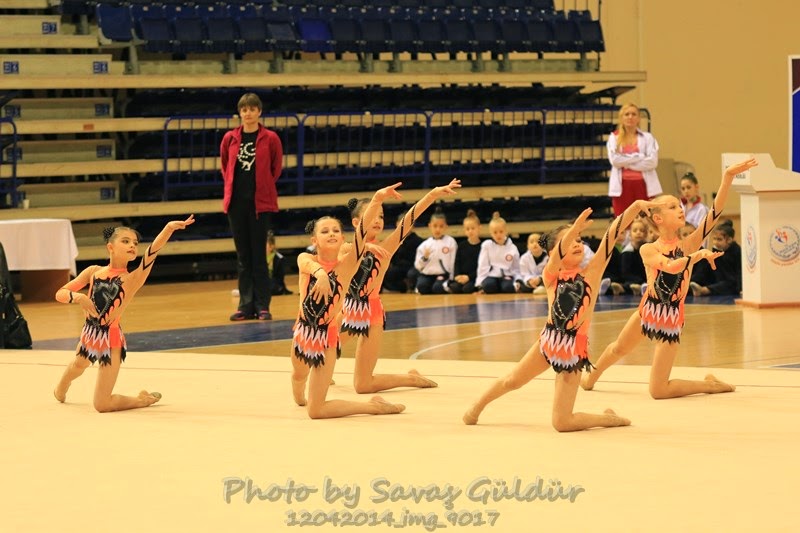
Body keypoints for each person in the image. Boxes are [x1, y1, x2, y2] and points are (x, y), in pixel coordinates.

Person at [462, 200, 656, 431]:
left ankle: (609, 419)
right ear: (553, 252)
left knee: (562, 422)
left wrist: (635, 206)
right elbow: (557, 257)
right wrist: (574, 229)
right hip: (548, 342)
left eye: (579, 240)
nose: (577, 243)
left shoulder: (592, 273)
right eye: (570, 241)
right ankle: (477, 405)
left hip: (573, 350)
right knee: (512, 380)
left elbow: (612, 234)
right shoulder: (551, 275)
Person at [582, 157, 759, 397]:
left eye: (680, 205)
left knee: (658, 390)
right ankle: (591, 377)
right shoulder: (648, 249)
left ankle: (710, 385)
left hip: (672, 318)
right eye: (673, 207)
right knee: (618, 348)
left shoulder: (688, 244)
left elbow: (714, 213)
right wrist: (696, 256)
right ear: (658, 218)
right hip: (648, 310)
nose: (680, 208)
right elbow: (670, 267)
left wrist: (727, 177)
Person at [53, 216, 196, 412]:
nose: (132, 246)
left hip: (111, 340)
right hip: (90, 333)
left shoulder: (133, 278)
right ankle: (61, 386)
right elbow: (60, 293)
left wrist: (168, 229)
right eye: (126, 241)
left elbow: (152, 251)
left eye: (135, 243)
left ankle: (141, 400)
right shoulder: (93, 272)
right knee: (79, 364)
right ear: (110, 247)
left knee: (102, 405)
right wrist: (79, 297)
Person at [290, 183, 407, 419]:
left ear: (342, 237)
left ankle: (373, 407)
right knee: (298, 376)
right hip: (304, 333)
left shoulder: (346, 265)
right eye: (325, 231)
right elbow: (307, 263)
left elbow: (360, 237)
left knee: (316, 411)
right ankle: (301, 393)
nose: (331, 233)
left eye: (335, 230)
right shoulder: (306, 258)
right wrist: (321, 274)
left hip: (328, 336)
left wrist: (377, 199)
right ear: (314, 240)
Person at [340, 179, 461, 394]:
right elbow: (347, 252)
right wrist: (377, 200)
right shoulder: (345, 248)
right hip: (347, 309)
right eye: (372, 215)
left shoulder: (386, 247)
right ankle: (324, 372)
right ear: (357, 222)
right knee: (321, 348)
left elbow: (409, 219)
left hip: (371, 313)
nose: (378, 220)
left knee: (362, 386)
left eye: (381, 216)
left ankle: (411, 378)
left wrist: (432, 195)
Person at [220, 92, 283, 321]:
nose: (248, 113)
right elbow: (225, 167)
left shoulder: (271, 138)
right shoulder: (229, 138)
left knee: (259, 257)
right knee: (243, 257)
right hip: (236, 204)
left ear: (259, 112)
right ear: (240, 112)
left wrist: (263, 186)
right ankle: (245, 306)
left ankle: (262, 305)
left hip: (260, 204)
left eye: (252, 109)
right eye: (244, 109)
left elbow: (276, 168)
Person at [606, 103, 662, 217]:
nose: (630, 117)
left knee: (646, 220)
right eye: (627, 114)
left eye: (633, 114)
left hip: (644, 186)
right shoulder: (614, 138)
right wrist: (639, 157)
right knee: (623, 220)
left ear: (639, 118)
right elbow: (615, 161)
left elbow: (652, 162)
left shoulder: (648, 138)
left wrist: (626, 163)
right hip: (622, 187)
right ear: (621, 118)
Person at [690, 220, 742, 297]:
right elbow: (717, 271)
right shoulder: (717, 250)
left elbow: (739, 272)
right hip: (720, 281)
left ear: (729, 240)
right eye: (714, 239)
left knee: (729, 284)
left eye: (719, 239)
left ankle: (704, 290)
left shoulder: (736, 251)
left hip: (732, 283)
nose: (715, 242)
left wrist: (740, 288)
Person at [413, 209, 457, 294]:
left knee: (437, 288)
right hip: (427, 275)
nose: (438, 229)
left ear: (446, 227)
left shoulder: (450, 242)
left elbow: (453, 262)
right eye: (435, 226)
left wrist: (452, 277)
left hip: (443, 274)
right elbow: (418, 266)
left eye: (441, 226)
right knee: (422, 287)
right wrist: (425, 258)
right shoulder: (425, 245)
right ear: (430, 226)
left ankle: (442, 286)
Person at [475, 213, 520, 294]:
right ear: (491, 233)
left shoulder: (512, 247)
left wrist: (518, 280)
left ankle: (503, 286)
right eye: (495, 232)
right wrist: (480, 283)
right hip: (492, 275)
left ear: (506, 231)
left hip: (507, 275)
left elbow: (516, 268)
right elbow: (482, 265)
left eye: (501, 231)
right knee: (488, 286)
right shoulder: (486, 245)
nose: (498, 235)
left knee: (508, 288)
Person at [382, 212, 423, 293]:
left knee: (409, 274)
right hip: (398, 267)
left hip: (412, 267)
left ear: (413, 225)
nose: (405, 226)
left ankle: (412, 286)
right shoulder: (394, 240)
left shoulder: (418, 241)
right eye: (402, 223)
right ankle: (403, 287)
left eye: (408, 224)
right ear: (397, 224)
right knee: (386, 274)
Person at [447, 209, 482, 294]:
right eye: (467, 229)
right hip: (462, 277)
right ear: (464, 230)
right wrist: (457, 276)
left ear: (479, 228)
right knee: (454, 287)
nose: (470, 231)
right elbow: (457, 262)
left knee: (467, 289)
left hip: (474, 277)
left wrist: (469, 277)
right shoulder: (461, 245)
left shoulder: (483, 246)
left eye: (473, 228)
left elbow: (482, 267)